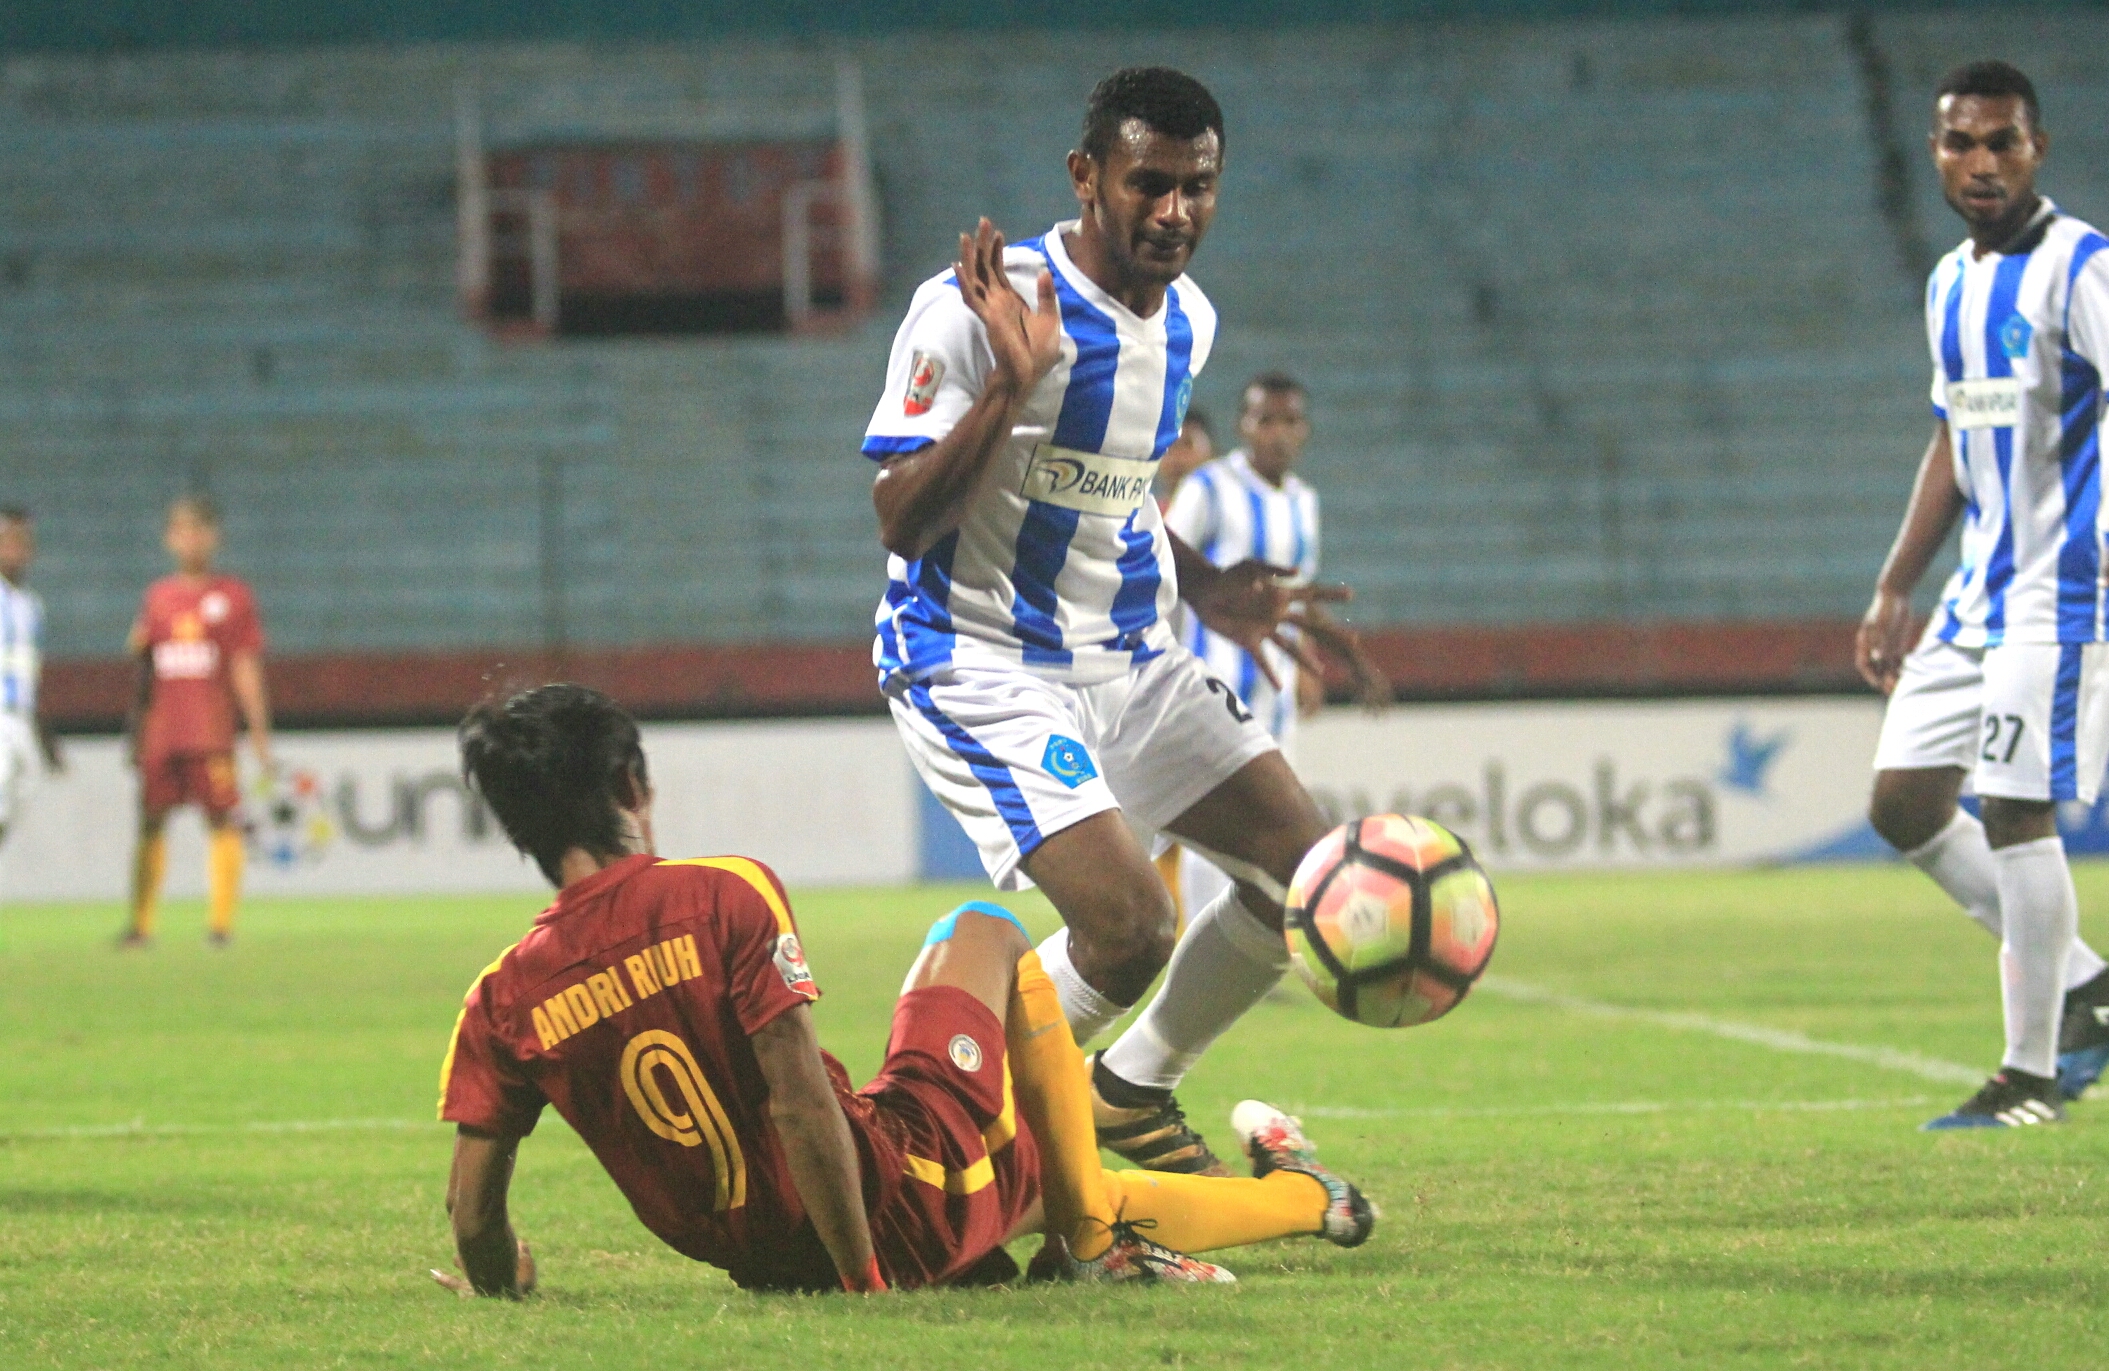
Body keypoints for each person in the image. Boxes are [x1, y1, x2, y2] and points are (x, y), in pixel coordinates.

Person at [432, 684, 1373, 1297]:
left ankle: (1306, 1201)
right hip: (885, 1200)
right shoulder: (717, 894)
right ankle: (1120, 1224)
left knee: (1035, 1177)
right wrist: (865, 1279)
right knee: (984, 932)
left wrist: (502, 1283)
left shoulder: (500, 998)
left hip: (769, 1263)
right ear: (632, 783)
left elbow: (473, 1209)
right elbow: (802, 1102)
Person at [861, 66, 1377, 1174]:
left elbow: (1119, 480)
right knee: (1129, 927)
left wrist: (1206, 584)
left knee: (1309, 880)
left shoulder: (1187, 319)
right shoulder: (975, 305)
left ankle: (1132, 1091)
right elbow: (899, 520)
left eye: (1199, 187)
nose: (1175, 212)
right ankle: (917, 1120)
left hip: (1132, 662)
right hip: (978, 660)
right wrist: (1008, 388)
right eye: (1150, 184)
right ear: (1086, 177)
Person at [1856, 60, 2109, 1127]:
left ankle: (2033, 1074)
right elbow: (1953, 438)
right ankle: (2089, 988)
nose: (1982, 161)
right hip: (1976, 599)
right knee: (1904, 804)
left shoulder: (2082, 267)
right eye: (1962, 143)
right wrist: (1893, 585)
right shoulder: (1950, 282)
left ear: (2036, 149)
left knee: (2014, 810)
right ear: (1937, 155)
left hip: (2065, 597)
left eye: (2003, 141)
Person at [1159, 375, 1387, 919]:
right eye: (1266, 420)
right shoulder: (1209, 488)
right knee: (1216, 824)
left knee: (1266, 830)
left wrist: (1346, 659)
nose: (1277, 433)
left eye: (1289, 421)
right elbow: (1163, 573)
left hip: (1273, 689)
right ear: (1244, 425)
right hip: (1210, 682)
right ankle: (1200, 944)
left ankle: (1246, 944)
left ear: (1304, 430)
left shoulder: (1304, 502)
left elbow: (1297, 597)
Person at [119, 496, 270, 948]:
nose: (191, 540)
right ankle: (141, 926)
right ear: (169, 539)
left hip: (211, 731)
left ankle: (220, 926)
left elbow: (244, 665)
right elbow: (144, 670)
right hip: (163, 731)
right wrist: (136, 733)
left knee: (222, 820)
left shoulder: (232, 596)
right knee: (151, 820)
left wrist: (259, 731)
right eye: (182, 531)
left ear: (214, 537)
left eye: (199, 530)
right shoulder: (157, 598)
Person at [0, 507, 64, 850]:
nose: (15, 551)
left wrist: (45, 736)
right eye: (8, 542)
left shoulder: (30, 605)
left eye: (22, 544)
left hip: (21, 720)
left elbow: (30, 674)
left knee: (12, 810)